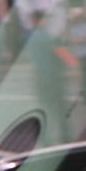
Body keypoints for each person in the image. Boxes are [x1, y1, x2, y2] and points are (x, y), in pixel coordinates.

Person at [27, 11, 68, 143]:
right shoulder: (49, 36)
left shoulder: (33, 37)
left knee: (45, 108)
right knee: (59, 108)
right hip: (52, 75)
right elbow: (64, 56)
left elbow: (33, 57)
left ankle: (46, 139)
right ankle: (65, 136)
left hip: (41, 76)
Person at [68, 7, 86, 102]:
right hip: (80, 54)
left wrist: (77, 40)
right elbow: (73, 40)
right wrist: (78, 40)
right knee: (85, 77)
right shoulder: (73, 28)